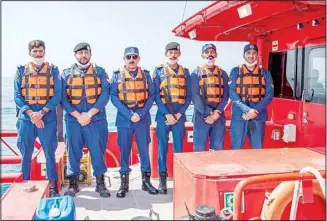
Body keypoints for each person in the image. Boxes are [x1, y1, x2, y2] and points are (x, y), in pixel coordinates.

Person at [61, 42, 110, 197]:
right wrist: (78, 116)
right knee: (73, 152)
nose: (83, 56)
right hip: (73, 121)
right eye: (80, 53)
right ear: (75, 55)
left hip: (96, 119)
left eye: (86, 52)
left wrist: (89, 114)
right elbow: (62, 98)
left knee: (98, 151)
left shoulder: (100, 72)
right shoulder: (66, 74)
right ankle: (73, 185)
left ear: (90, 53)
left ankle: (100, 184)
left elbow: (105, 95)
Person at [14, 40, 62, 197]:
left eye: (40, 51)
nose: (38, 54)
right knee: (26, 153)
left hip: (47, 117)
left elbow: (57, 95)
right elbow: (17, 96)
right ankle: (25, 183)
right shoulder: (21, 70)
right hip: (26, 119)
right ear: (30, 53)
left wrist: (41, 112)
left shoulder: (53, 70)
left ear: (45, 51)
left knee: (49, 152)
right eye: (35, 52)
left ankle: (53, 186)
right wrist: (31, 114)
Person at [110, 46, 158, 198]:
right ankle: (124, 185)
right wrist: (129, 114)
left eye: (134, 57)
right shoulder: (117, 76)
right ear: (124, 59)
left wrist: (141, 113)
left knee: (144, 150)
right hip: (124, 120)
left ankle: (146, 182)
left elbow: (152, 95)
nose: (132, 60)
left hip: (142, 120)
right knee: (124, 150)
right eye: (128, 57)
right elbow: (113, 96)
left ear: (138, 59)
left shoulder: (146, 75)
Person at [153, 42, 192, 194]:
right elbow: (155, 95)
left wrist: (179, 113)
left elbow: (188, 96)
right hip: (164, 114)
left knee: (179, 149)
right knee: (162, 147)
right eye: (170, 52)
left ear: (179, 54)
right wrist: (166, 114)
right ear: (166, 54)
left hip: (179, 115)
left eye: (175, 52)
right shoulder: (158, 71)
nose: (173, 55)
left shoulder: (185, 72)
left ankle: (179, 179)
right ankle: (163, 181)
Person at [229, 44, 274, 149]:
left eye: (254, 53)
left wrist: (254, 111)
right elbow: (232, 93)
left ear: (257, 55)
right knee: (236, 148)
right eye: (248, 53)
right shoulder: (235, 71)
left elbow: (269, 95)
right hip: (239, 115)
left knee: (257, 149)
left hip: (258, 116)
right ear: (244, 55)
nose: (251, 56)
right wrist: (247, 110)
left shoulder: (265, 73)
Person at [191, 43, 229, 152]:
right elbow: (195, 96)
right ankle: (199, 169)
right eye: (206, 52)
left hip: (218, 115)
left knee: (217, 147)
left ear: (216, 54)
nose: (210, 54)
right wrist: (209, 113)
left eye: (212, 52)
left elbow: (226, 95)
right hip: (201, 115)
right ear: (202, 55)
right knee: (199, 148)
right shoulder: (195, 73)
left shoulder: (223, 74)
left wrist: (217, 113)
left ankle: (215, 169)